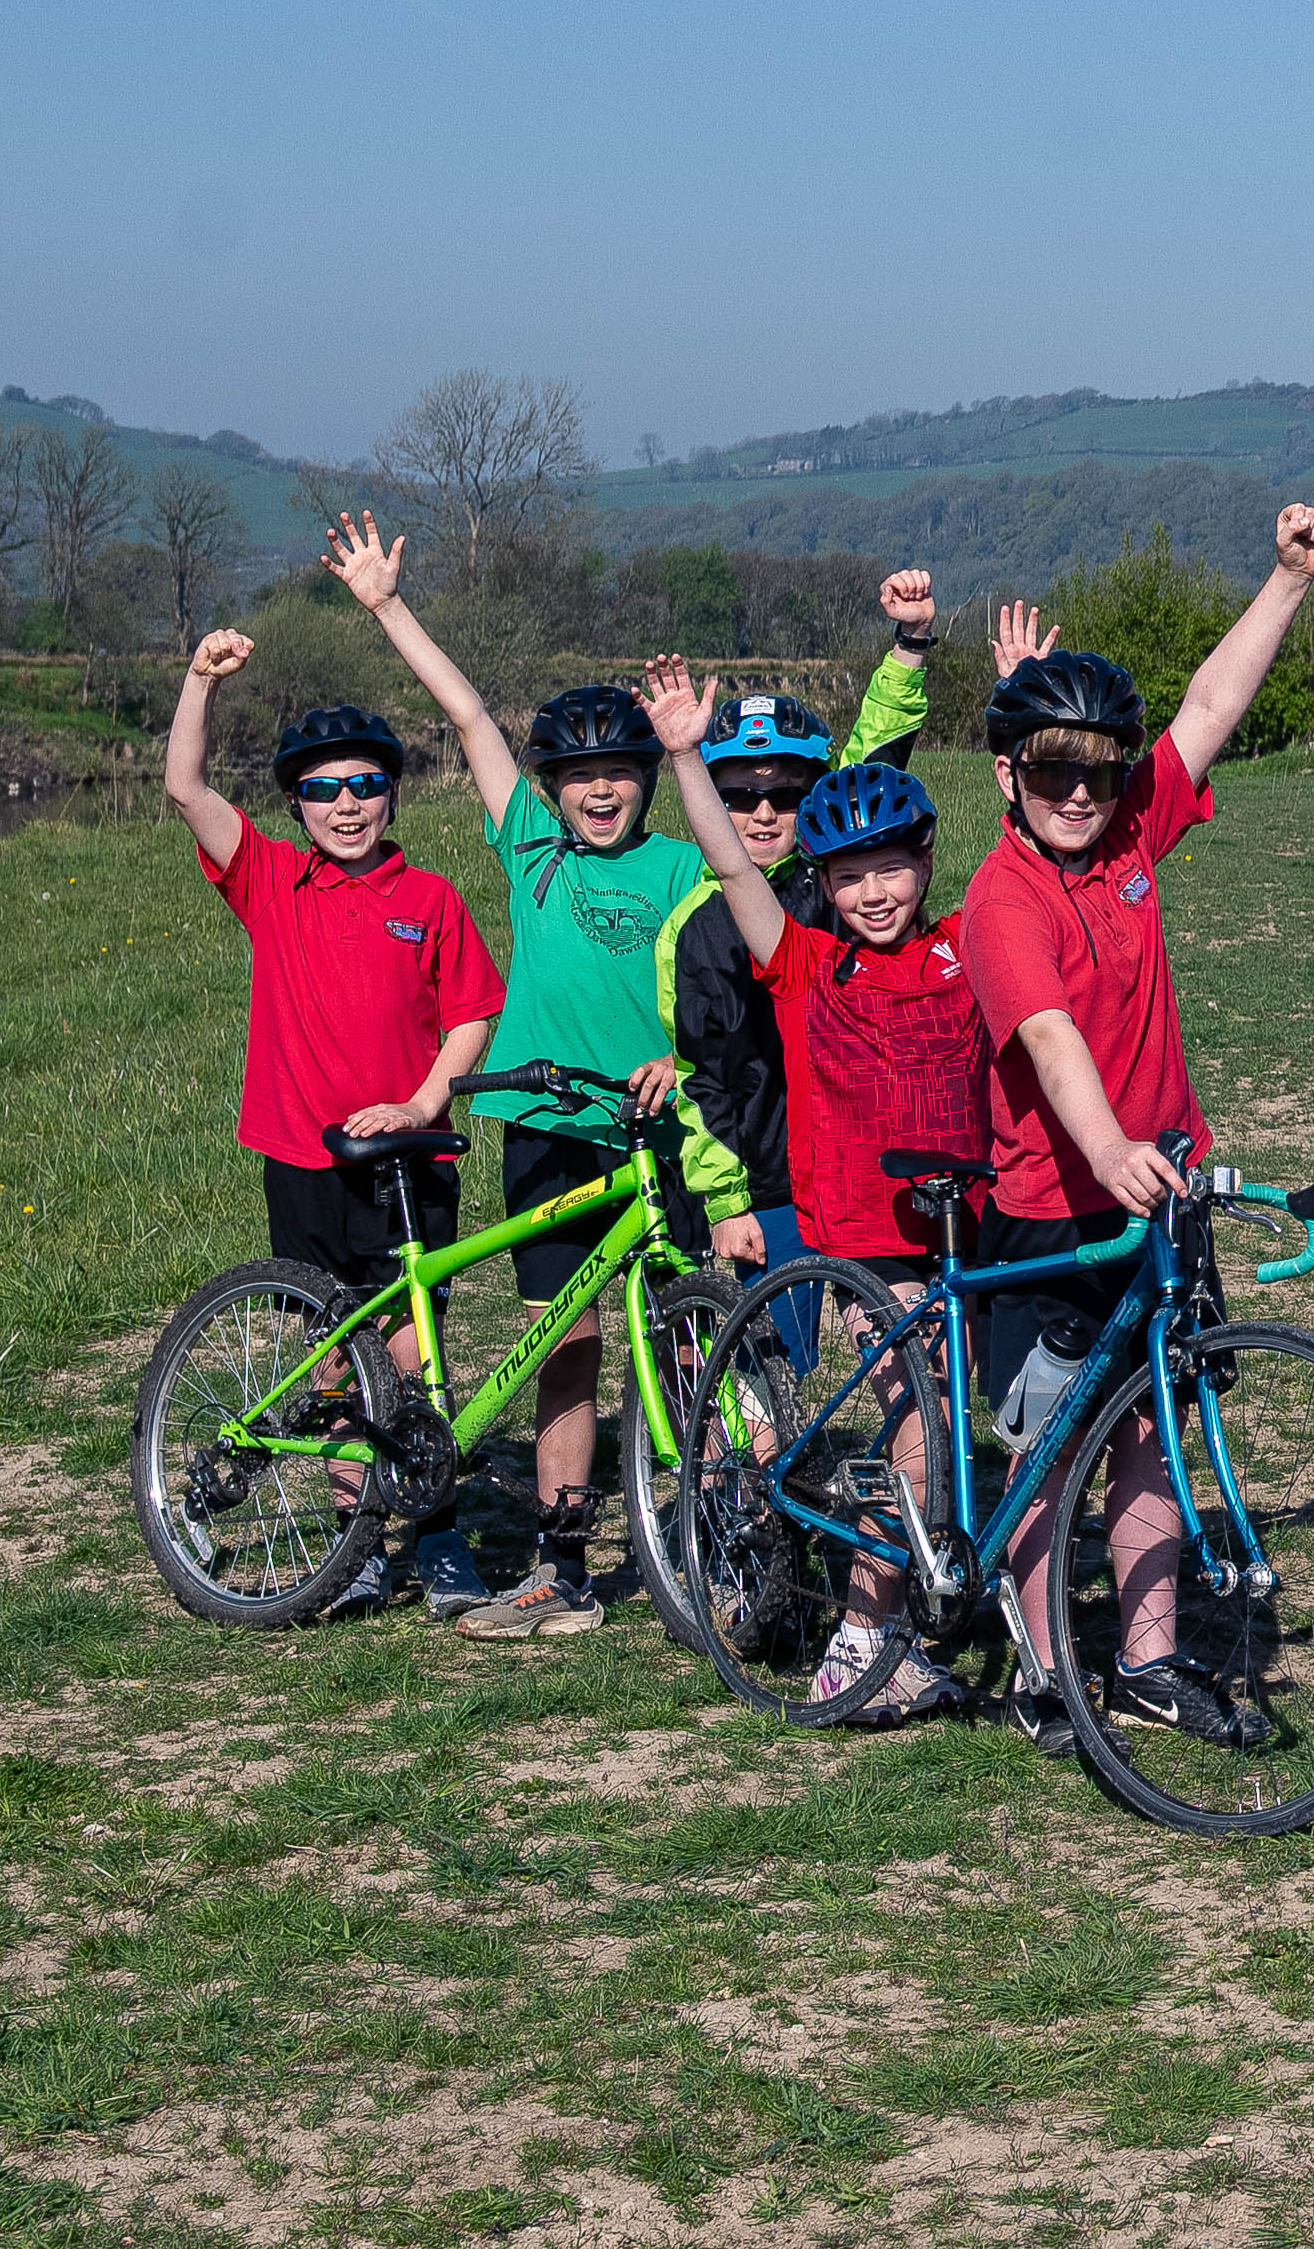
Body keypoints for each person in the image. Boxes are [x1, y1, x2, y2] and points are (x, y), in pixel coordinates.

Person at [963, 502, 1314, 1752]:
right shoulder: (997, 897)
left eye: (1097, 770)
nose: (1081, 792)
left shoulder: (1125, 832)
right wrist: (1108, 1147)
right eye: (1051, 771)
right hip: (1048, 1208)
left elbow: (1206, 712)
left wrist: (1285, 579)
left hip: (1157, 1196)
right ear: (1008, 778)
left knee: (1150, 1437)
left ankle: (1147, 1658)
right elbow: (1051, 1043)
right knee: (1043, 1445)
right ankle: (1033, 1666)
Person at [327, 513, 711, 1641]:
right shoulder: (532, 850)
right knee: (568, 1343)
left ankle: (721, 1523)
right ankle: (562, 1565)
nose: (599, 795)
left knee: (689, 1331)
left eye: (618, 776)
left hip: (659, 1124)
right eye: (579, 777)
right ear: (555, 787)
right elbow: (465, 717)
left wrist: (683, 1059)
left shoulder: (686, 862)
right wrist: (388, 606)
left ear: (645, 780)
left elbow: (745, 943)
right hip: (547, 1122)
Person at [643, 659, 983, 1723]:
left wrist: (1010, 709)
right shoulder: (802, 965)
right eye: (852, 876)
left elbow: (1030, 868)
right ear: (824, 888)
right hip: (865, 1242)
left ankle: (939, 1614)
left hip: (964, 1230)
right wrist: (684, 753)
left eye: (892, 870)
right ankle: (860, 1640)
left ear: (924, 866)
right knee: (921, 1431)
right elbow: (731, 870)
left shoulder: (956, 949)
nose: (873, 892)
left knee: (961, 1429)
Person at [160, 632, 506, 1616]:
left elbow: (472, 1010)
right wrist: (200, 680)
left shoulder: (429, 899)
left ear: (392, 794)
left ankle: (436, 1542)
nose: (345, 804)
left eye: (364, 784)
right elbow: (185, 786)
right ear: (295, 805)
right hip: (304, 1154)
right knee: (330, 1350)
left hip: (406, 1157)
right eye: (321, 790)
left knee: (410, 1348)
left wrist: (428, 1100)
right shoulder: (271, 881)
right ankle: (352, 1547)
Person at [658, 571, 957, 1325]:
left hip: (860, 1161)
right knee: (770, 1389)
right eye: (739, 794)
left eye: (787, 793)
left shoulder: (838, 880)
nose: (763, 812)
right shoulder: (696, 925)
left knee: (895, 1347)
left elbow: (876, 756)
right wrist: (726, 1202)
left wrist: (910, 644)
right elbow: (701, 1075)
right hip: (763, 1183)